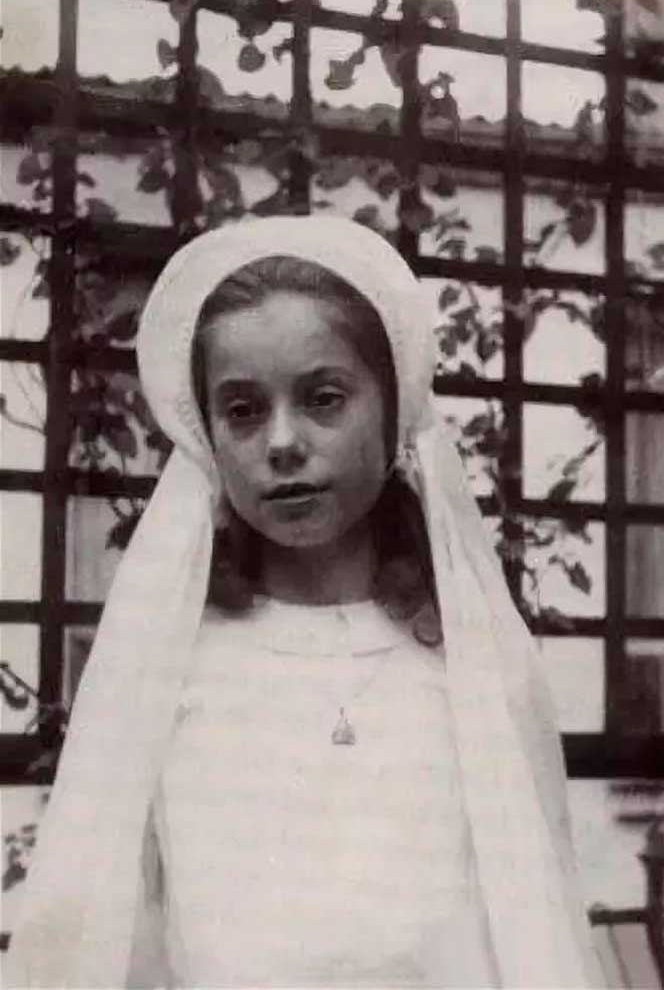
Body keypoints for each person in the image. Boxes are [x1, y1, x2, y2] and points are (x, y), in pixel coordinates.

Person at [5, 217, 603, 989]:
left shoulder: (475, 665)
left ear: (391, 413)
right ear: (208, 434)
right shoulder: (166, 665)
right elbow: (109, 933)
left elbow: (532, 930)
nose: (282, 441)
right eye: (244, 410)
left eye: (323, 399)